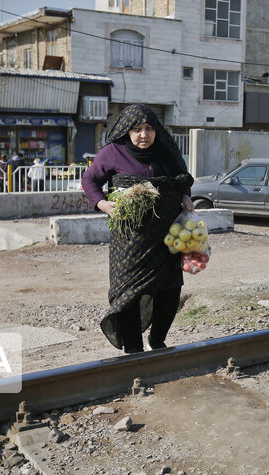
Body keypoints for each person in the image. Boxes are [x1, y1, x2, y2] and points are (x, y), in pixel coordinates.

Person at [81, 103, 194, 354]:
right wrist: (101, 203)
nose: (144, 135)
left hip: (166, 238)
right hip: (129, 240)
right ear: (126, 131)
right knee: (128, 293)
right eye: (137, 129)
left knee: (171, 288)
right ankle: (134, 350)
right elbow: (90, 179)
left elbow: (181, 178)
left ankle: (157, 340)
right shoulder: (113, 152)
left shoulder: (166, 150)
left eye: (149, 128)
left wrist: (185, 196)